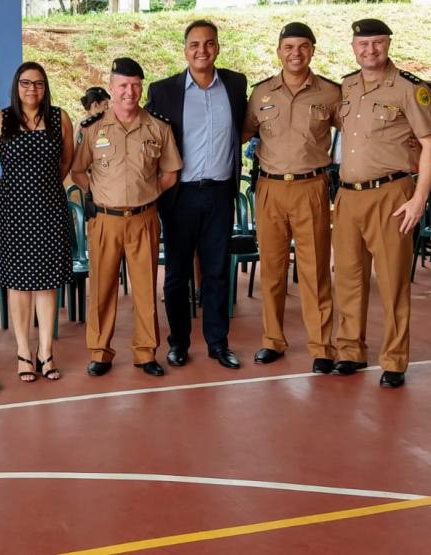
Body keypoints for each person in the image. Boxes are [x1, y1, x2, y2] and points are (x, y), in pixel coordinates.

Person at [332, 19, 431, 388]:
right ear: (353, 46)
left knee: (392, 282)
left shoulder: (409, 89)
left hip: (392, 196)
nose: (369, 50)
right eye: (363, 43)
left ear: (388, 43)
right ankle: (350, 351)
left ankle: (394, 359)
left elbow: (428, 143)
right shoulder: (346, 86)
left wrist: (419, 198)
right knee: (349, 278)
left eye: (376, 43)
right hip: (347, 196)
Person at [146, 19, 248, 370]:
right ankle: (178, 343)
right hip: (180, 196)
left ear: (217, 47)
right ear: (184, 49)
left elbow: (243, 131)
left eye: (208, 44)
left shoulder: (235, 85)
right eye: (194, 44)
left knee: (218, 272)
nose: (201, 50)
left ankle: (218, 344)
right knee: (176, 274)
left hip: (220, 193)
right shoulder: (163, 91)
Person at [71, 57, 183, 378]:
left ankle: (145, 351)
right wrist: (95, 194)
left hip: (144, 218)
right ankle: (100, 352)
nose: (129, 92)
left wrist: (145, 195)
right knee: (103, 288)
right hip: (104, 220)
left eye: (135, 85)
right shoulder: (93, 129)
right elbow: (78, 170)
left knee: (145, 288)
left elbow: (171, 172)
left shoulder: (157, 127)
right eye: (122, 85)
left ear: (141, 87)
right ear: (111, 88)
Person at [241, 22, 340, 373]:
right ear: (278, 50)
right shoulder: (261, 93)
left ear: (312, 50)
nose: (295, 53)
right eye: (288, 47)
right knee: (271, 269)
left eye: (302, 46)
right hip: (269, 188)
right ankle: (273, 340)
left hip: (311, 188)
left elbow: (359, 132)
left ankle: (322, 346)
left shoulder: (330, 93)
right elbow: (240, 134)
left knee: (315, 273)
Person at [0, 61, 74, 382]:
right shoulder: (0, 121)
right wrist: (7, 191)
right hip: (13, 213)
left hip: (49, 211)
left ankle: (46, 353)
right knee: (20, 286)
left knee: (47, 284)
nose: (31, 89)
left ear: (45, 87)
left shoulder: (60, 118)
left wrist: (42, 188)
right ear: (16, 86)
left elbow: (66, 162)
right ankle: (23, 352)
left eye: (38, 83)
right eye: (25, 83)